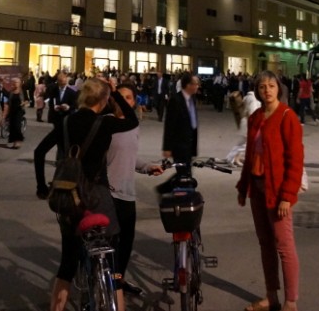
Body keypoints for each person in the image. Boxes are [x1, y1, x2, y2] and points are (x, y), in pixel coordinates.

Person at [33, 78, 139, 311]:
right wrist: (116, 93)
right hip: (99, 197)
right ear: (103, 101)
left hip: (69, 198)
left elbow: (39, 152)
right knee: (112, 263)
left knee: (68, 262)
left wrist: (42, 188)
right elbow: (132, 120)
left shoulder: (65, 122)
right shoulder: (104, 124)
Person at [236, 70, 303, 311]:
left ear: (279, 89)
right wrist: (243, 188)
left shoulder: (287, 117)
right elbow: (249, 157)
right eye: (262, 86)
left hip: (278, 192)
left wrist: (287, 196)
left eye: (271, 86)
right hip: (257, 187)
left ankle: (290, 301)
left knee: (284, 246)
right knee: (265, 244)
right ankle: (271, 296)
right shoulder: (255, 117)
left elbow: (295, 160)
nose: (267, 90)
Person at [107, 82, 163, 298]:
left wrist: (148, 167)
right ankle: (106, 285)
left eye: (129, 98)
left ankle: (117, 281)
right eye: (120, 97)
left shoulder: (133, 126)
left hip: (127, 194)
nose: (124, 101)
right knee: (110, 244)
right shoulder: (107, 123)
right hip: (108, 194)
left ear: (134, 101)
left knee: (125, 245)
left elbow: (130, 158)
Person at [159, 71, 201, 191]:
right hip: (179, 144)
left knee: (186, 172)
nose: (197, 86)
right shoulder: (176, 100)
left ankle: (171, 189)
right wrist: (167, 147)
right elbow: (169, 125)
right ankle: (168, 190)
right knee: (184, 173)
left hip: (190, 142)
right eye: (195, 84)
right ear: (187, 85)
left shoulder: (192, 98)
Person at [224, 89, 261, 166]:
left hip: (244, 122)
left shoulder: (247, 97)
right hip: (250, 123)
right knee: (247, 144)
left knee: (241, 143)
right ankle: (231, 159)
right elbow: (252, 112)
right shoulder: (254, 99)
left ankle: (230, 158)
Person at [5, 77, 25, 149]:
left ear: (19, 84)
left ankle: (18, 142)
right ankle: (14, 143)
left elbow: (28, 101)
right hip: (12, 111)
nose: (15, 84)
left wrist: (24, 103)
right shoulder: (11, 92)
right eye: (14, 82)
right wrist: (5, 112)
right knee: (12, 127)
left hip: (19, 111)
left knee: (17, 127)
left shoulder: (22, 91)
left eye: (16, 82)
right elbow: (8, 102)